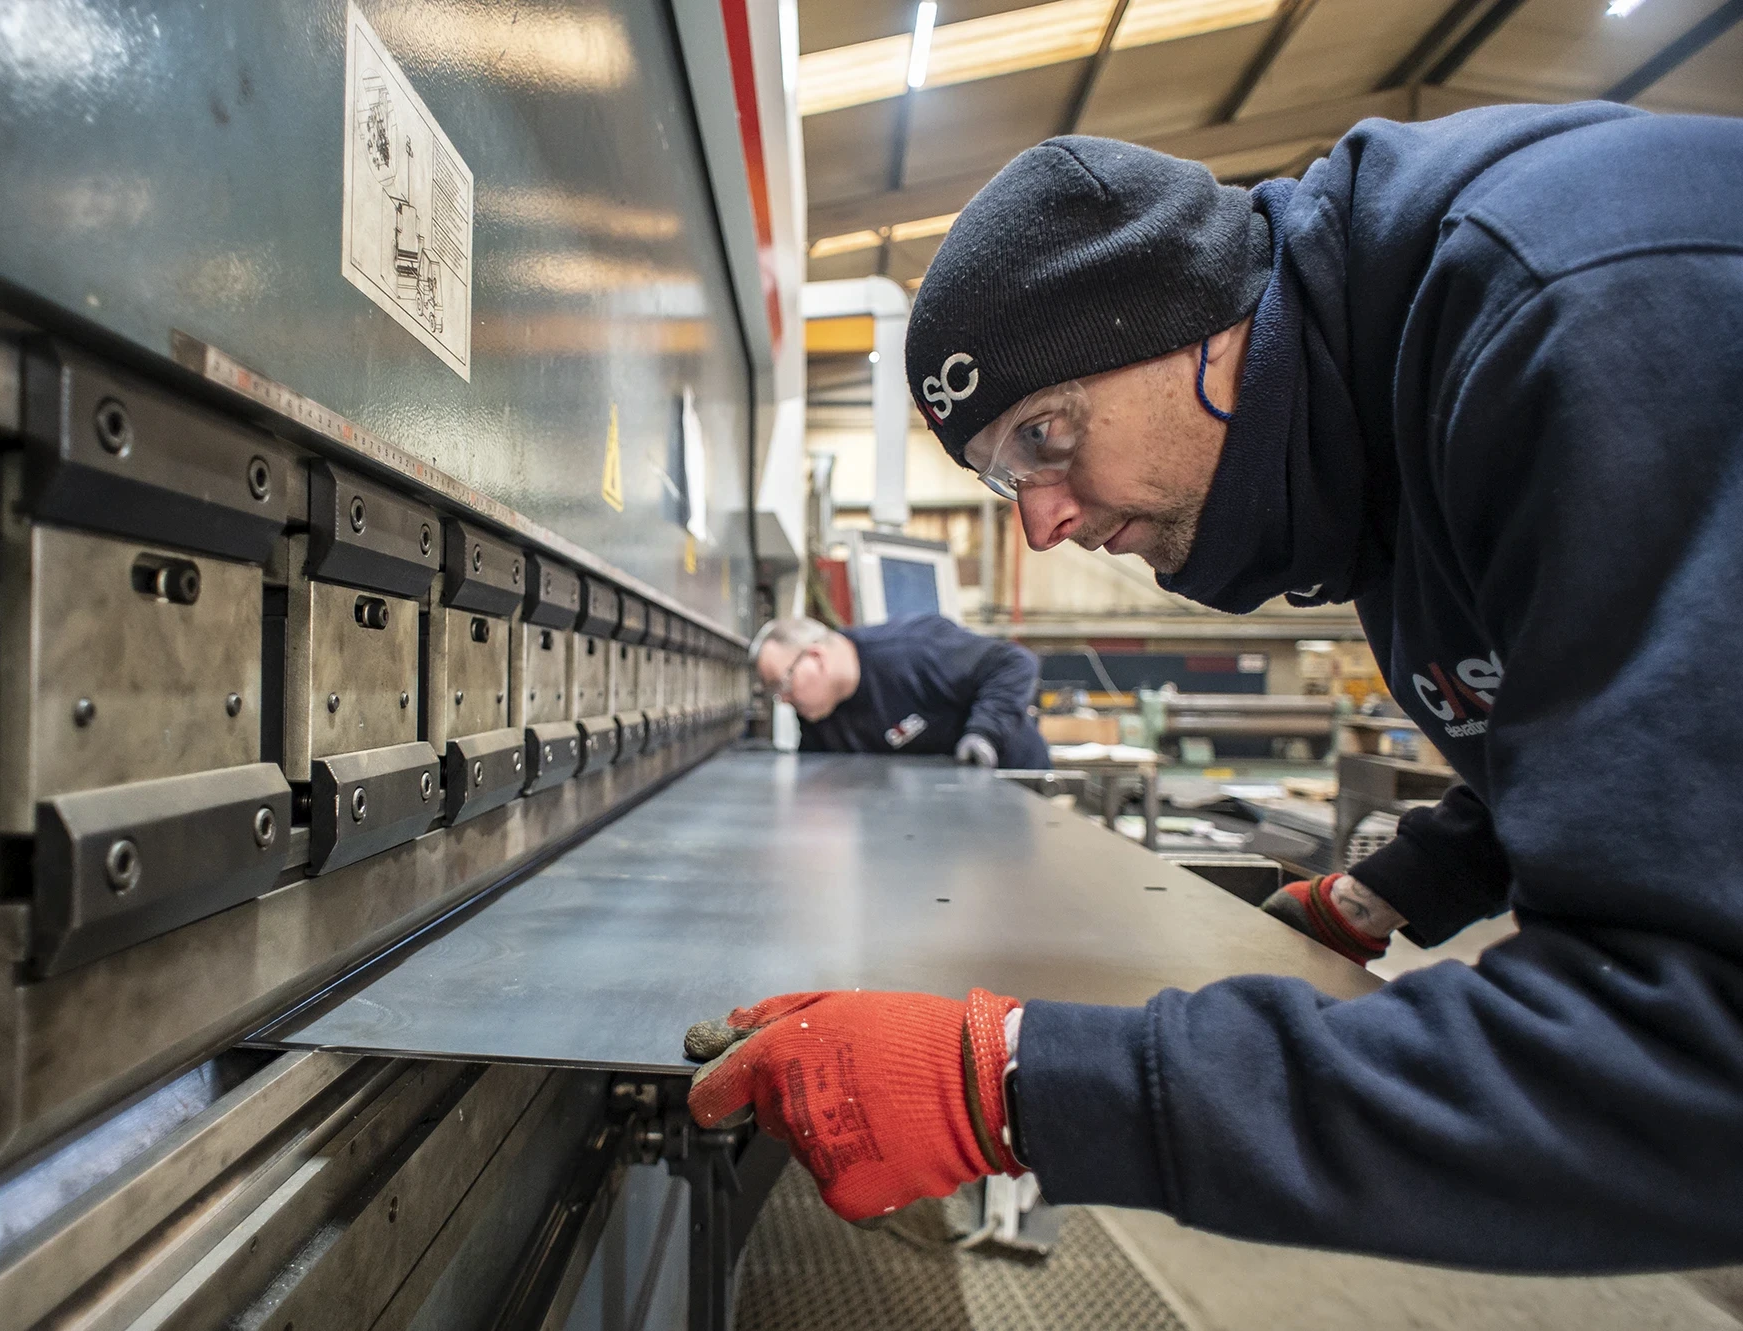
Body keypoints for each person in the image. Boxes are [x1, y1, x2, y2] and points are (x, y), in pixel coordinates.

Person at [687, 105, 1743, 1270]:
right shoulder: (1382, 436)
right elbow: (1634, 735)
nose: (1039, 522)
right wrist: (1403, 882)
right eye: (1001, 477)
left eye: (1044, 431)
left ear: (1190, 316)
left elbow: (1691, 1048)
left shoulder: (1576, 312)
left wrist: (1016, 1084)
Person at [750, 614, 1050, 768]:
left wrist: (984, 734)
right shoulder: (820, 713)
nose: (784, 700)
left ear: (816, 658)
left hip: (1012, 779)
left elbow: (1014, 663)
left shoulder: (916, 651)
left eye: (783, 684)